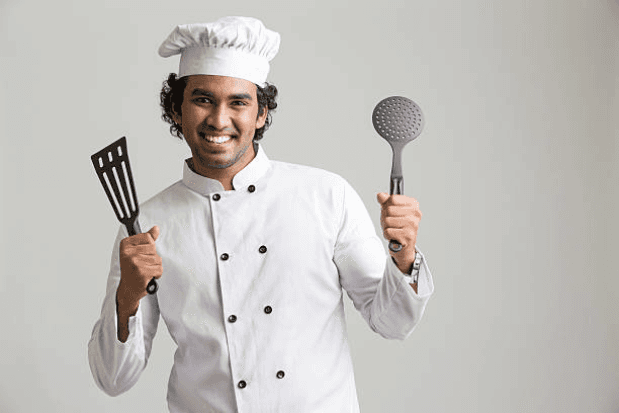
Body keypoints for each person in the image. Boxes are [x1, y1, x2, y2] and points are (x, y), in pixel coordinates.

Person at [88, 16, 434, 413]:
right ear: (176, 108)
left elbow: (392, 322)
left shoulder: (326, 195)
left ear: (262, 113)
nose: (219, 120)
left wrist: (404, 257)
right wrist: (128, 296)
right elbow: (113, 379)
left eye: (238, 102)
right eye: (202, 99)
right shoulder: (146, 224)